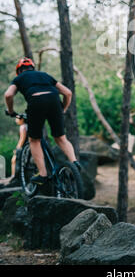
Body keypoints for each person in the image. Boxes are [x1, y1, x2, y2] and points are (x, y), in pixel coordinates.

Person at [4, 57, 81, 185]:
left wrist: (11, 111)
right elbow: (67, 93)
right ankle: (74, 163)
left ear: (19, 71)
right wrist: (63, 109)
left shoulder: (19, 78)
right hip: (54, 102)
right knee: (61, 138)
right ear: (33, 68)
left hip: (36, 102)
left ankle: (43, 174)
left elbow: (8, 95)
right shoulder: (44, 75)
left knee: (34, 140)